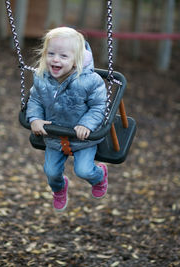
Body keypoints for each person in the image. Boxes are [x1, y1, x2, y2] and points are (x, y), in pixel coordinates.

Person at [26, 27, 108, 212]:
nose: (55, 59)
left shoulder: (91, 81)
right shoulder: (41, 77)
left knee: (84, 171)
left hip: (82, 138)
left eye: (63, 56)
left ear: (77, 60)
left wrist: (86, 125)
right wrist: (35, 119)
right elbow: (35, 100)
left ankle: (100, 175)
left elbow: (98, 107)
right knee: (51, 173)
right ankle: (60, 189)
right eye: (51, 53)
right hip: (54, 136)